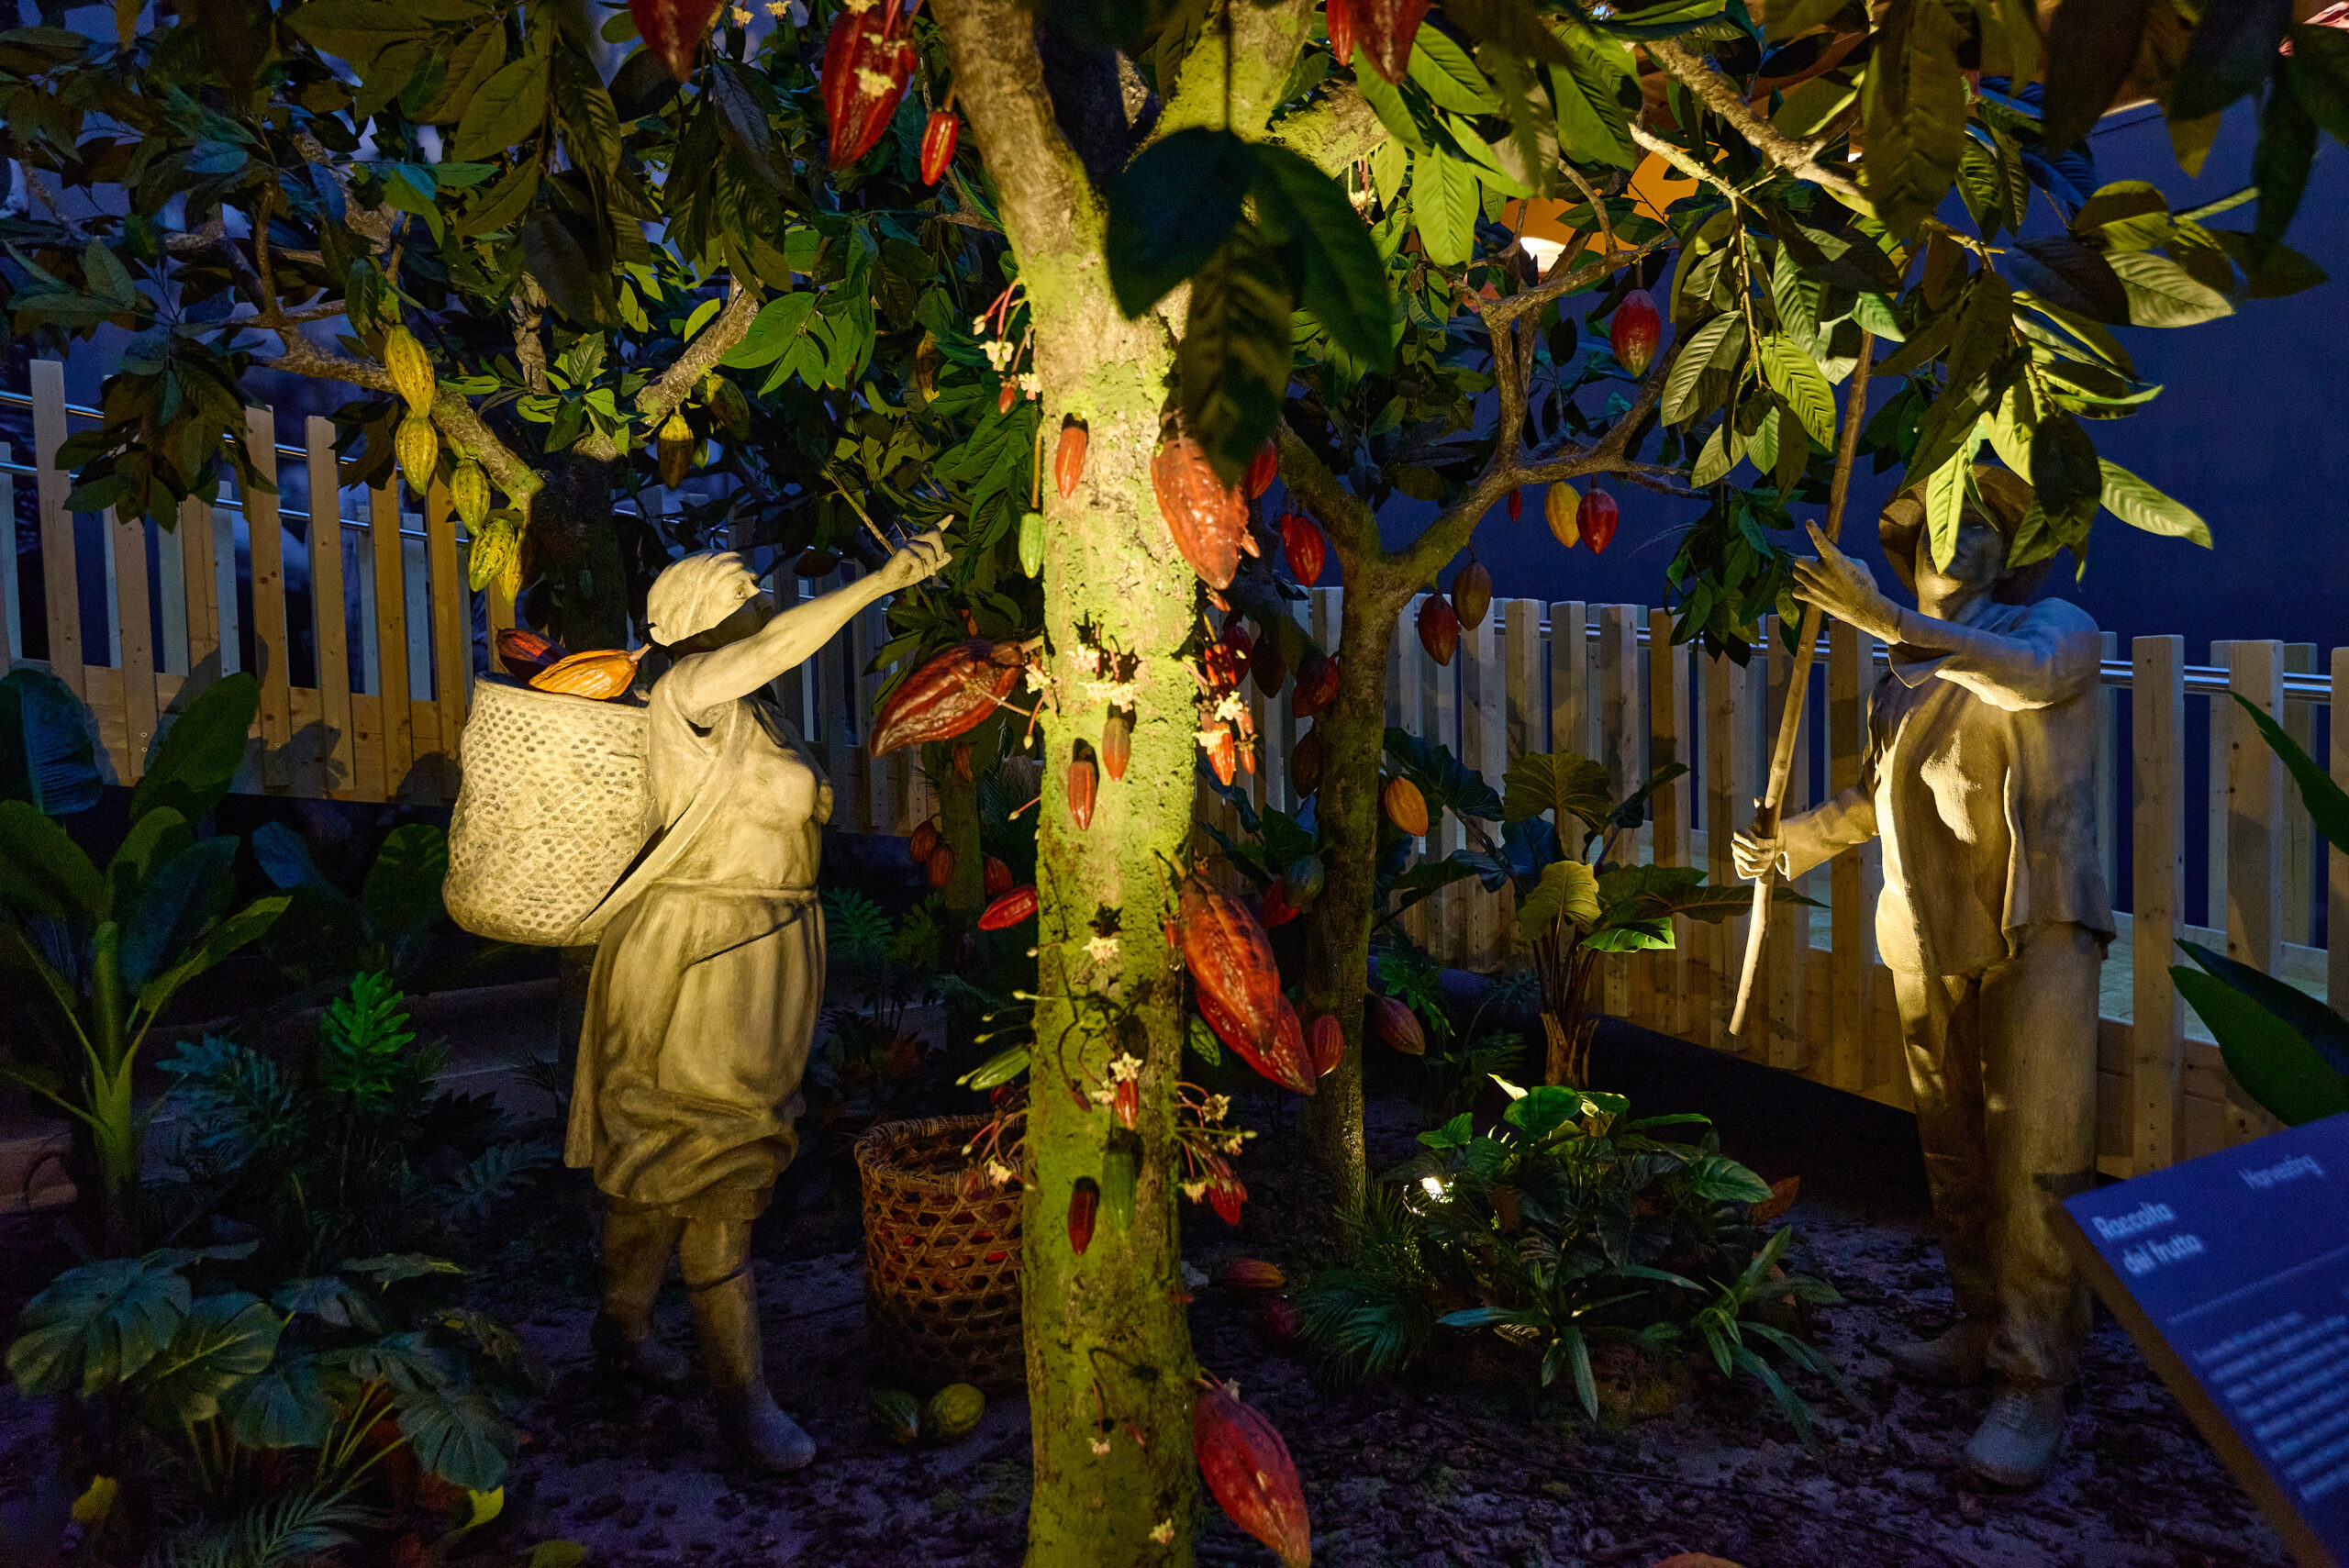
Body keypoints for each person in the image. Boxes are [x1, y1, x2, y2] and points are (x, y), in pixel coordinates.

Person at [1733, 468, 2111, 1488]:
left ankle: (2035, 1374)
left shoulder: (2053, 629)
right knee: (1952, 1145)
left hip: (2036, 923)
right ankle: (1980, 1319)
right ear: (1907, 546)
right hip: (1931, 926)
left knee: (2037, 1152)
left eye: (1982, 522)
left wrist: (1886, 619)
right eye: (1937, 520)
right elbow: (1877, 796)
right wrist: (1791, 843)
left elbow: (2022, 678)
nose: (1957, 533)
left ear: (2010, 551)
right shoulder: (1903, 673)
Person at [567, 531, 949, 1472]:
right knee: (710, 1171)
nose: (765, 605)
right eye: (746, 594)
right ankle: (744, 1400)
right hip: (696, 954)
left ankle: (618, 1337)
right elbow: (775, 646)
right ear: (702, 618)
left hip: (761, 953)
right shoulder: (687, 694)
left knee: (666, 1168)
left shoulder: (753, 713)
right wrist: (879, 582)